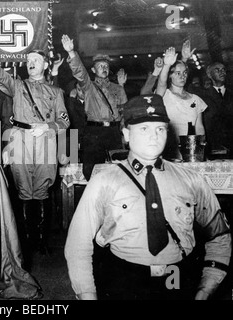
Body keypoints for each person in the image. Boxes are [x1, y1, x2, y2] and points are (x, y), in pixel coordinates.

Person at [64, 93, 232, 300]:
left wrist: (206, 287)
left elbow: (219, 236)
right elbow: (77, 245)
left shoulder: (191, 180)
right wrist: (88, 294)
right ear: (126, 134)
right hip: (123, 280)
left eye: (160, 128)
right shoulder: (104, 181)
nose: (154, 136)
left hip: (177, 279)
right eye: (144, 128)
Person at [0, 49, 70, 270]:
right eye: (29, 60)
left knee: (42, 190)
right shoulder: (18, 86)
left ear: (46, 65)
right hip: (20, 139)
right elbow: (1, 76)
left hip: (45, 142)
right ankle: (25, 242)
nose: (31, 63)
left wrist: (47, 127)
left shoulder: (56, 91)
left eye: (36, 60)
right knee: (23, 190)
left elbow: (64, 121)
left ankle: (41, 242)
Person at [61, 34, 128, 180]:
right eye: (100, 66)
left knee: (119, 171)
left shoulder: (118, 89)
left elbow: (124, 113)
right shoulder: (89, 86)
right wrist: (71, 53)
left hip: (114, 132)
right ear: (93, 70)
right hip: (94, 133)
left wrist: (123, 131)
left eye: (106, 66)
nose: (104, 68)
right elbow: (79, 72)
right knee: (92, 171)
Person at [156, 46, 207, 161]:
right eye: (177, 73)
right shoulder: (164, 94)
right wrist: (167, 65)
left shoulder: (196, 99)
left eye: (184, 73)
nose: (182, 76)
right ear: (170, 75)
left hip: (191, 151)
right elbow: (161, 83)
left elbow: (199, 128)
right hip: (169, 150)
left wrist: (200, 153)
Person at [201, 62, 233, 158]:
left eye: (223, 69)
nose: (221, 72)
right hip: (213, 148)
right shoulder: (203, 96)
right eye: (217, 70)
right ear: (209, 74)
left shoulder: (231, 94)